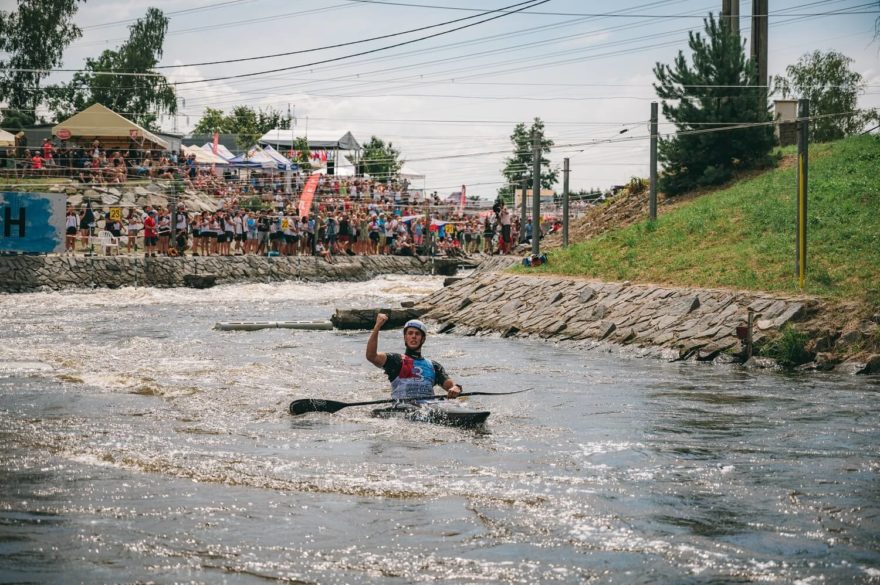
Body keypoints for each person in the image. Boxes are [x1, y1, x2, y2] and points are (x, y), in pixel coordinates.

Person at [366, 314, 462, 400]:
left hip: (428, 410)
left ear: (423, 339)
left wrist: (456, 388)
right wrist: (377, 326)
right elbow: (371, 356)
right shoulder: (395, 360)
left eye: (417, 334)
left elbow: (451, 386)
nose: (414, 336)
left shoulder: (433, 366)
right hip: (403, 408)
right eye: (410, 333)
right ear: (405, 337)